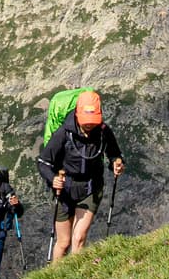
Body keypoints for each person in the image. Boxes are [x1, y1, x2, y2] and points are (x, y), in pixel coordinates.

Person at [37, 90, 124, 261]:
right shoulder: (64, 133)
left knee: (79, 238)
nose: (89, 125)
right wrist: (52, 179)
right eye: (86, 122)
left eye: (93, 121)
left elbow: (115, 153)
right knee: (63, 242)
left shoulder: (104, 131)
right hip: (65, 190)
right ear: (77, 113)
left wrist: (117, 163)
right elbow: (44, 162)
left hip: (91, 188)